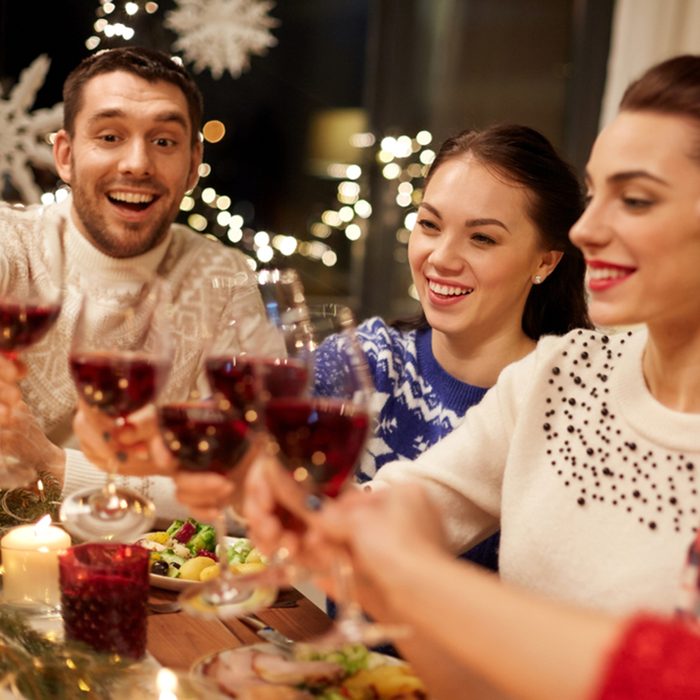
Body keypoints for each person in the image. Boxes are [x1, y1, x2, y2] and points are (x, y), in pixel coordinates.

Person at [242, 54, 700, 699]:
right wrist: (318, 515)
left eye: (637, 199)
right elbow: (420, 497)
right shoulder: (563, 370)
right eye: (595, 195)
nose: (588, 229)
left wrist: (397, 565)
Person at [73, 124, 591, 576]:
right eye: (429, 225)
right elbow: (231, 473)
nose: (441, 258)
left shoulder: (563, 400)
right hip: (334, 663)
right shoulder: (369, 360)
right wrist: (67, 466)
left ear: (544, 262)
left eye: (482, 239)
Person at [0, 46, 265, 521]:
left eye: (164, 141)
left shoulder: (223, 278)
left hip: (147, 574)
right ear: (64, 154)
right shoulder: (9, 246)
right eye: (110, 136)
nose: (137, 164)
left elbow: (249, 490)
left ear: (192, 164)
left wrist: (55, 467)